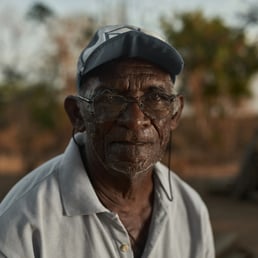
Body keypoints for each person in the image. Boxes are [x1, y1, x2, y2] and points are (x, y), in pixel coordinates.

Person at [0, 25, 215, 258]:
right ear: (77, 114)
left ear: (174, 114)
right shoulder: (23, 220)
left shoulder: (191, 211)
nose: (135, 120)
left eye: (155, 98)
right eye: (110, 99)